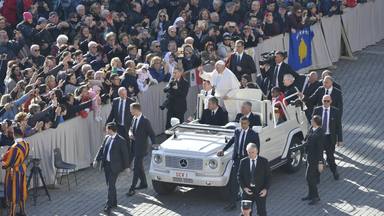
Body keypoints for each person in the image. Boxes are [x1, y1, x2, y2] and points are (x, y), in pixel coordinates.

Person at [217, 117, 260, 211]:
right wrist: (223, 150)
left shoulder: (253, 134)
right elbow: (232, 141)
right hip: (237, 160)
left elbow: (257, 150)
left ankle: (248, 205)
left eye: (245, 123)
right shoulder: (237, 131)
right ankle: (232, 204)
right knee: (234, 182)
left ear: (248, 123)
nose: (243, 125)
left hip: (246, 161)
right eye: (241, 123)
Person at [93, 122, 130, 214]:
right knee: (110, 185)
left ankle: (108, 205)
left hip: (115, 167)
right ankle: (114, 202)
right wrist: (96, 159)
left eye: (107, 129)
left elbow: (125, 155)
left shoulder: (121, 140)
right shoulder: (107, 138)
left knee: (110, 186)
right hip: (107, 166)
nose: (106, 131)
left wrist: (127, 167)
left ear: (110, 129)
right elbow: (101, 149)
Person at [127, 103, 156, 197]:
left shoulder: (145, 121)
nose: (130, 111)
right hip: (134, 146)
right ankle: (143, 183)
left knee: (136, 167)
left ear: (136, 110)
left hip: (141, 148)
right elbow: (130, 129)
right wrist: (130, 133)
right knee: (139, 166)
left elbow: (152, 134)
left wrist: (154, 146)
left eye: (131, 109)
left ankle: (132, 188)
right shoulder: (134, 118)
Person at [312, 95, 343, 180]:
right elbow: (313, 124)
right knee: (319, 157)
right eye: (324, 101)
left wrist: (340, 139)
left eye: (327, 101)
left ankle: (334, 172)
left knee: (330, 157)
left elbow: (338, 126)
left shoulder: (335, 111)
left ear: (331, 101)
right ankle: (317, 176)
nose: (326, 103)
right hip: (319, 137)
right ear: (322, 101)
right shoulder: (317, 110)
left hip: (330, 138)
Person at [2, 124, 30, 216]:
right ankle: (23, 211)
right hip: (22, 169)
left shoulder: (14, 147)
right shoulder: (26, 144)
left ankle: (12, 213)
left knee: (13, 192)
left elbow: (8, 162)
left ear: (14, 135)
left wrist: (3, 161)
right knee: (21, 190)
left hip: (14, 172)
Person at [238, 143, 271, 216]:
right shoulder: (243, 162)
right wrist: (244, 188)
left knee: (261, 212)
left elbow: (268, 177)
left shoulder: (264, 161)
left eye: (252, 152)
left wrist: (265, 189)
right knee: (245, 212)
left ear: (257, 151)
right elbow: (239, 176)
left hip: (260, 191)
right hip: (247, 192)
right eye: (249, 152)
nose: (250, 154)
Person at [302, 115, 324, 205]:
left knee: (309, 177)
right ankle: (311, 195)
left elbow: (320, 149)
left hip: (315, 159)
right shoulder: (312, 128)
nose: (310, 121)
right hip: (309, 157)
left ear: (315, 122)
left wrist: (320, 162)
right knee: (309, 177)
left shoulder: (320, 133)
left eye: (312, 120)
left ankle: (316, 196)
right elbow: (307, 138)